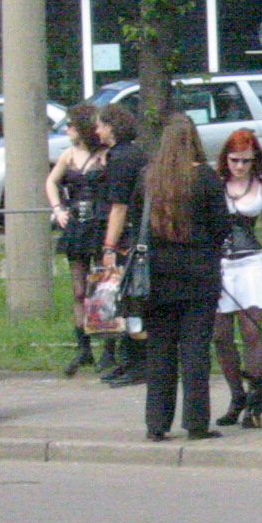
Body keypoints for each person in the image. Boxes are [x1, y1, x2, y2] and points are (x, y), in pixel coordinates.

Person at [135, 113, 232, 441]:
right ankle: (196, 422)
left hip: (156, 277)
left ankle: (156, 424)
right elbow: (222, 226)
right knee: (195, 351)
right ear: (194, 140)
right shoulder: (205, 178)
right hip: (199, 275)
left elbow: (137, 224)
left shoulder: (149, 178)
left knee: (159, 351)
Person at [211, 129, 262, 427]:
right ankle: (236, 397)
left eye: (246, 160)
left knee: (252, 332)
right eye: (234, 160)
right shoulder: (216, 184)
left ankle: (253, 400)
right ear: (225, 158)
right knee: (220, 335)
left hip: (250, 264)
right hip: (219, 264)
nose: (240, 166)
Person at [45, 102, 109, 377]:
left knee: (104, 286)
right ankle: (84, 347)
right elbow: (51, 181)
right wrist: (58, 209)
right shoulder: (68, 154)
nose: (67, 130)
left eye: (71, 125)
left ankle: (109, 347)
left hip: (99, 224)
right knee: (79, 289)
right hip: (77, 225)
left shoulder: (104, 155)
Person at [97, 102, 149, 387]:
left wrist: (109, 246)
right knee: (131, 302)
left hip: (128, 239)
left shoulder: (120, 158)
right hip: (139, 235)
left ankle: (137, 363)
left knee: (129, 301)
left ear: (111, 127)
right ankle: (131, 360)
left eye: (100, 125)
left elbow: (119, 206)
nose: (97, 131)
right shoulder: (136, 154)